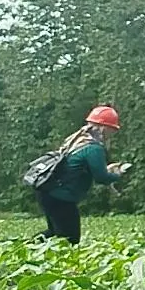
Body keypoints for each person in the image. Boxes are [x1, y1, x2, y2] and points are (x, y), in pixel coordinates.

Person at [35, 105, 126, 245]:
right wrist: (117, 174)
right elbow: (101, 178)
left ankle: (20, 248)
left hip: (48, 192)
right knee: (70, 239)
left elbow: (83, 166)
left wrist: (106, 169)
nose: (112, 134)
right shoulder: (94, 148)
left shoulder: (78, 140)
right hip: (61, 198)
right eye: (112, 130)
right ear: (104, 128)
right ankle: (20, 248)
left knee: (55, 233)